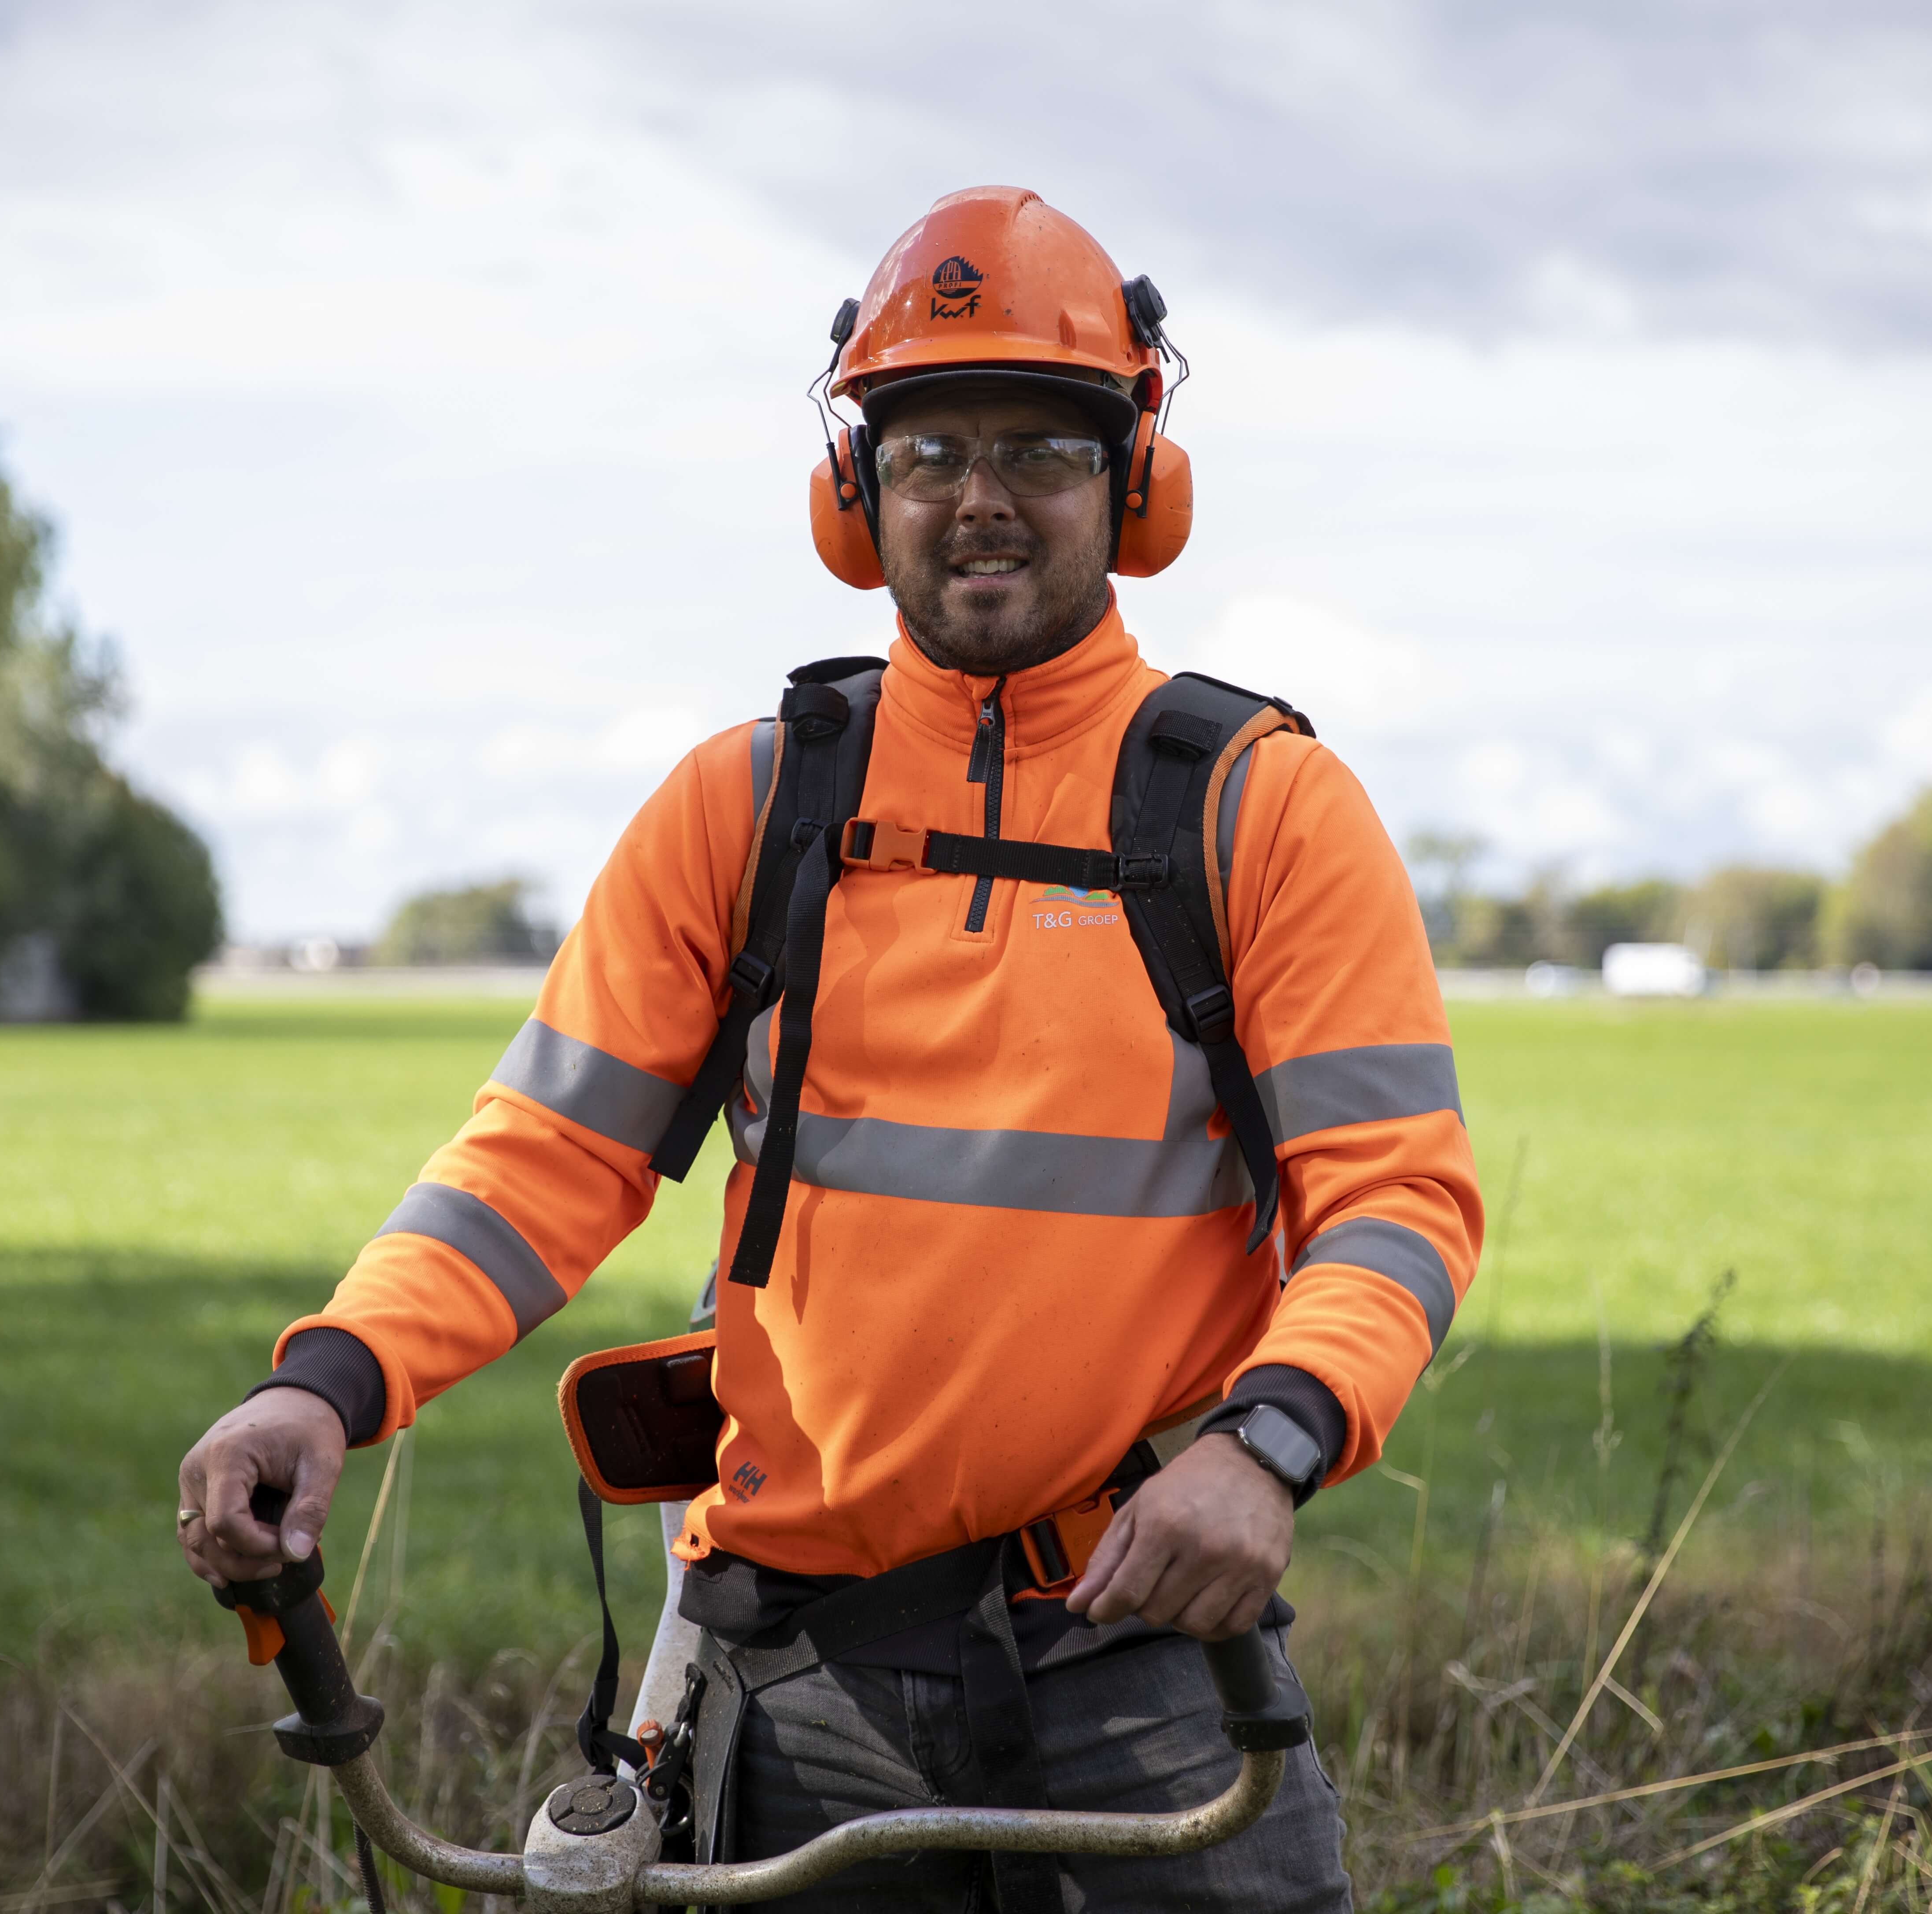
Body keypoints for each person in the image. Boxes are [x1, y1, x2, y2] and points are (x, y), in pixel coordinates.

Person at [178, 185, 1483, 1912]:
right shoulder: (750, 802)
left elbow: (1393, 1203)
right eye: (928, 451)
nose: (980, 497)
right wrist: (327, 1378)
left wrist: (1269, 1444)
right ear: (854, 495)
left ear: (1136, 483)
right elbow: (539, 1158)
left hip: (1142, 1658)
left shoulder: (1264, 809)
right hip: (801, 1681)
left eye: (1041, 447)